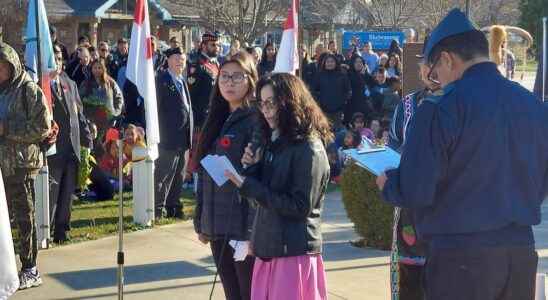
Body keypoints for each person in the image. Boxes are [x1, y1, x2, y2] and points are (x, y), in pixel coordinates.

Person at [376, 9, 548, 300]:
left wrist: (389, 184)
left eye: (434, 71)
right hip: (519, 252)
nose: (436, 80)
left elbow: (417, 190)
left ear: (447, 59)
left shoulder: (438, 108)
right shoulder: (533, 106)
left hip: (460, 258)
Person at [225, 73, 331, 300]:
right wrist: (252, 169)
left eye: (271, 103)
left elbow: (299, 207)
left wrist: (249, 185)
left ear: (290, 101)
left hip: (292, 255)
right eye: (261, 103)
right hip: (268, 251)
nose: (266, 110)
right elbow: (267, 195)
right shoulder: (274, 141)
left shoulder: (309, 148)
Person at [193, 52, 265, 300]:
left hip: (244, 227)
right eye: (224, 77)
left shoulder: (257, 120)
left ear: (251, 80)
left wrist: (253, 231)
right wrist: (201, 222)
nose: (229, 82)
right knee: (231, 293)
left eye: (237, 76)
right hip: (217, 225)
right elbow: (204, 175)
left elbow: (259, 178)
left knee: (248, 294)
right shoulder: (216, 118)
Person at [0, 42, 51, 289]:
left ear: (13, 66)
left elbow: (43, 127)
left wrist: (7, 130)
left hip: (21, 166)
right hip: (1, 168)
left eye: (2, 67)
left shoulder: (28, 90)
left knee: (24, 218)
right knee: (3, 221)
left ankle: (30, 268)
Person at [48, 45, 92, 243]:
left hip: (71, 149)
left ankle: (62, 231)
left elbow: (79, 114)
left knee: (67, 194)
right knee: (51, 193)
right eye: (52, 57)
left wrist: (87, 139)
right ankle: (45, 231)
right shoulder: (40, 85)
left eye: (58, 57)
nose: (56, 61)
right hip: (52, 150)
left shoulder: (69, 83)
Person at [154, 47, 193, 219]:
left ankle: (173, 206)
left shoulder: (182, 80)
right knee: (164, 174)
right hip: (168, 137)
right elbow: (156, 108)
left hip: (183, 138)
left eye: (183, 59)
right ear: (168, 60)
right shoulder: (161, 80)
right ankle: (157, 208)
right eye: (177, 58)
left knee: (179, 175)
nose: (180, 62)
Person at [79, 58, 124, 141]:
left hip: (108, 121)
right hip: (91, 121)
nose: (97, 70)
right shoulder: (86, 83)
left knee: (107, 143)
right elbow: (79, 100)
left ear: (104, 69)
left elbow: (119, 97)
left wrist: (116, 112)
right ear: (91, 69)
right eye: (95, 68)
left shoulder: (110, 82)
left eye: (99, 68)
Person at [312, 53, 351, 131]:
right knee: (325, 130)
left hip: (338, 111)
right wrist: (320, 102)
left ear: (336, 63)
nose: (330, 63)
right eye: (328, 62)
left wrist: (342, 103)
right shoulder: (320, 75)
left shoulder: (342, 75)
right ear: (324, 63)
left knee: (337, 132)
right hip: (323, 109)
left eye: (332, 61)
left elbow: (348, 91)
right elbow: (313, 90)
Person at [345, 55, 376, 124]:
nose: (358, 64)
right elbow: (356, 84)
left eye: (360, 62)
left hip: (365, 107)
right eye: (356, 62)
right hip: (352, 106)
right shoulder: (349, 74)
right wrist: (361, 76)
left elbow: (373, 84)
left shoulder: (366, 74)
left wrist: (365, 74)